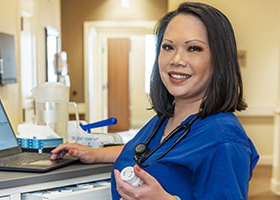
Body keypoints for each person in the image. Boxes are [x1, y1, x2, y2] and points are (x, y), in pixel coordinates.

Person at [50, 2, 259, 199]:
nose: (176, 60)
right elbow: (153, 154)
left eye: (193, 48)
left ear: (219, 60)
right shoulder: (165, 120)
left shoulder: (225, 140)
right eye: (168, 47)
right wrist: (95, 154)